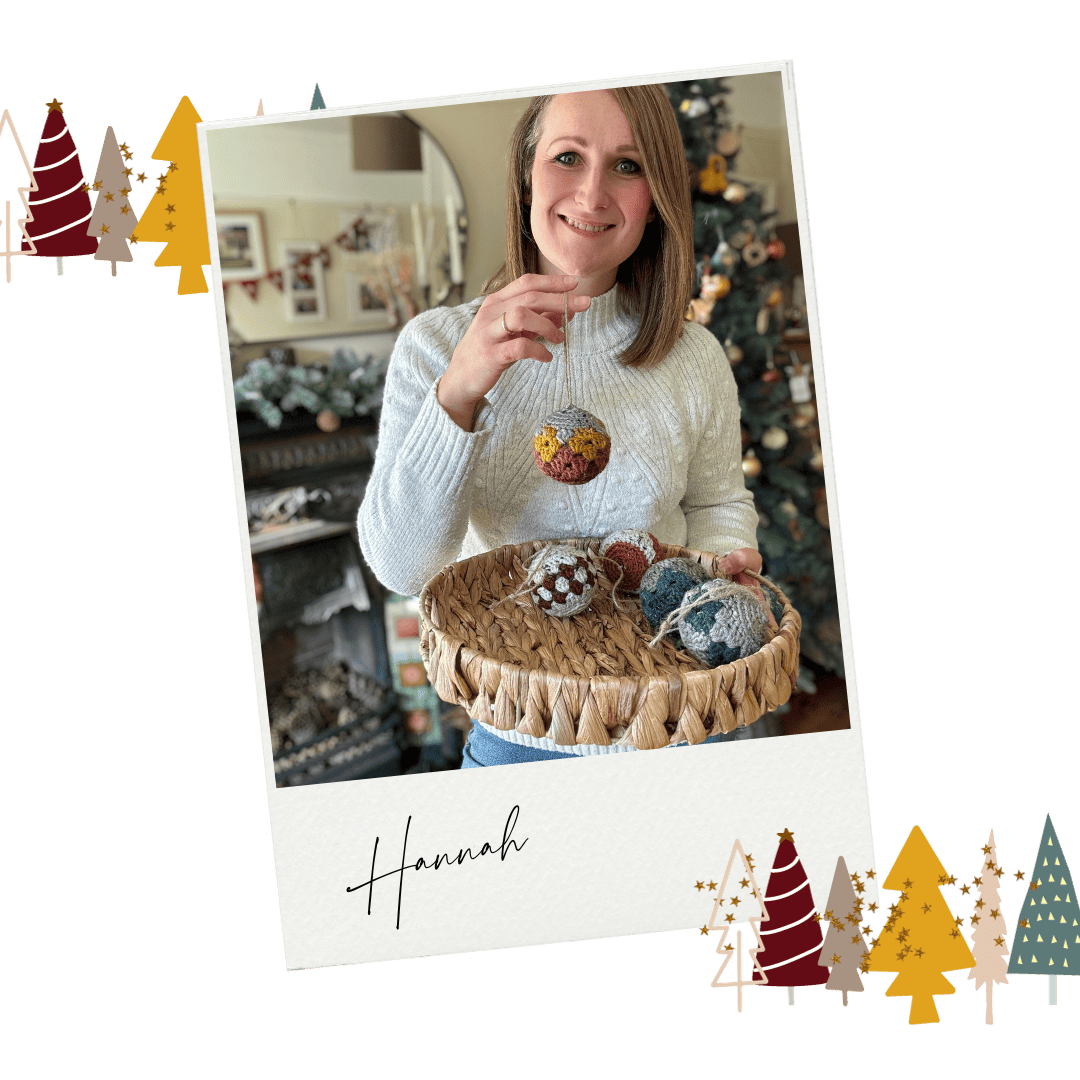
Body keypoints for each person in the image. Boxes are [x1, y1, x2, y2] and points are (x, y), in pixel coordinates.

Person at [358, 86, 779, 766]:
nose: (591, 195)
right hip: (518, 734)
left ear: (657, 195)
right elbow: (402, 567)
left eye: (627, 165)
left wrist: (728, 556)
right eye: (566, 157)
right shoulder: (434, 346)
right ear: (526, 179)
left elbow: (718, 501)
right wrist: (460, 391)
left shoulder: (693, 354)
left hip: (672, 723)